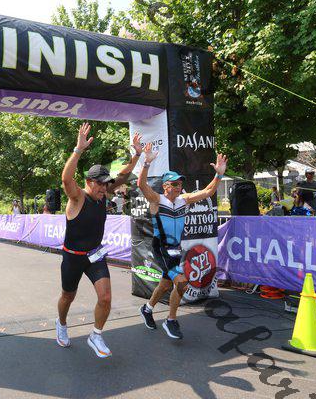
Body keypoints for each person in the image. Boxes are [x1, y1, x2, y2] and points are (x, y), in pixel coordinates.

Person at [55, 123, 142, 358]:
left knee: (105, 297)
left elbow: (123, 175)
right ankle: (61, 323)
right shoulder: (78, 198)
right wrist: (78, 150)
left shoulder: (102, 194)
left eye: (106, 183)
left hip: (94, 255)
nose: (105, 187)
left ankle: (96, 334)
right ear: (89, 182)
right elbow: (66, 179)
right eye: (100, 183)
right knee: (68, 296)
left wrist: (136, 155)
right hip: (73, 258)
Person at [137, 143, 227, 339]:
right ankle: (171, 320)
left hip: (176, 248)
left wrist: (219, 175)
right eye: (175, 184)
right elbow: (141, 185)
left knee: (165, 284)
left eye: (180, 184)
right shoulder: (156, 199)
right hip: (161, 247)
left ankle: (147, 308)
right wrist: (146, 163)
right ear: (165, 186)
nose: (179, 187)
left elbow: (207, 192)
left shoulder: (183, 200)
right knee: (182, 282)